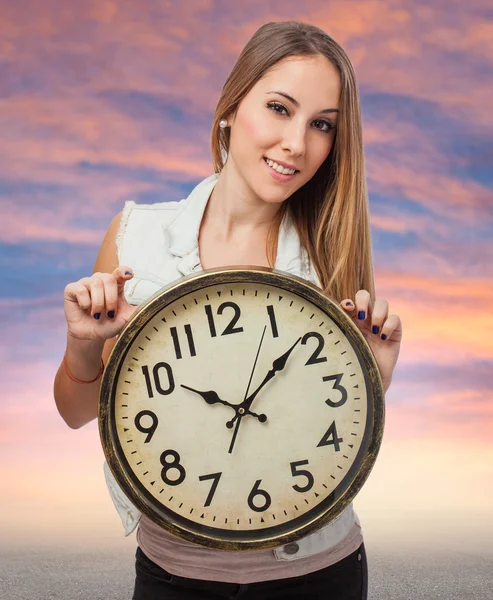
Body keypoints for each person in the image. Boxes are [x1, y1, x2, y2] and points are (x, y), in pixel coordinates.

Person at [54, 20, 402, 600]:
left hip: (317, 573)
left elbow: (323, 439)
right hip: (172, 576)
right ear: (230, 108)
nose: (297, 142)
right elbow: (75, 413)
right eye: (279, 108)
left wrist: (376, 383)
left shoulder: (330, 258)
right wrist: (84, 344)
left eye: (321, 125)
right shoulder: (138, 235)